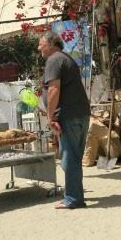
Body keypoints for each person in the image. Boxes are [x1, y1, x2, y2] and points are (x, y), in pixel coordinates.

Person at [37, 31, 90, 209]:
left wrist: (51, 116)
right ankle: (74, 196)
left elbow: (53, 90)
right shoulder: (64, 58)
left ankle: (73, 199)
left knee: (70, 158)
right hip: (80, 113)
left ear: (52, 44)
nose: (39, 48)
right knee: (74, 157)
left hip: (69, 116)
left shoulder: (54, 60)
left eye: (41, 44)